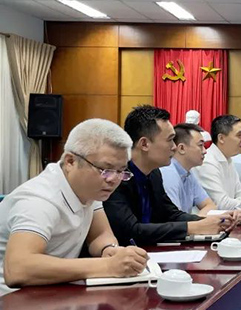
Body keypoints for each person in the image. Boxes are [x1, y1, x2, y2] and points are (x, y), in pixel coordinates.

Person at [0, 119, 148, 295]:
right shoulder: (40, 200)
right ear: (70, 161)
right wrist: (107, 265)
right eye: (105, 169)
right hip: (13, 304)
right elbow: (18, 269)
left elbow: (100, 234)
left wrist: (110, 250)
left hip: (53, 292)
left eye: (121, 171)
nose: (113, 179)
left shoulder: (88, 188)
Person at [104, 106, 232, 246]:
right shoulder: (116, 175)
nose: (174, 147)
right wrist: (192, 228)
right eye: (170, 140)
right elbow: (131, 230)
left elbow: (170, 214)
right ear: (144, 144)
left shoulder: (154, 173)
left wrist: (212, 222)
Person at [195, 115, 241, 210]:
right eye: (239, 135)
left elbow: (240, 193)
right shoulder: (208, 162)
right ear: (221, 138)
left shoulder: (228, 160)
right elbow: (221, 204)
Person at [160, 123, 216, 215]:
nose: (205, 151)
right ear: (182, 148)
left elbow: (210, 205)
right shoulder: (168, 173)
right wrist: (197, 222)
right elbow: (174, 219)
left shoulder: (187, 173)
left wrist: (196, 222)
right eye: (200, 145)